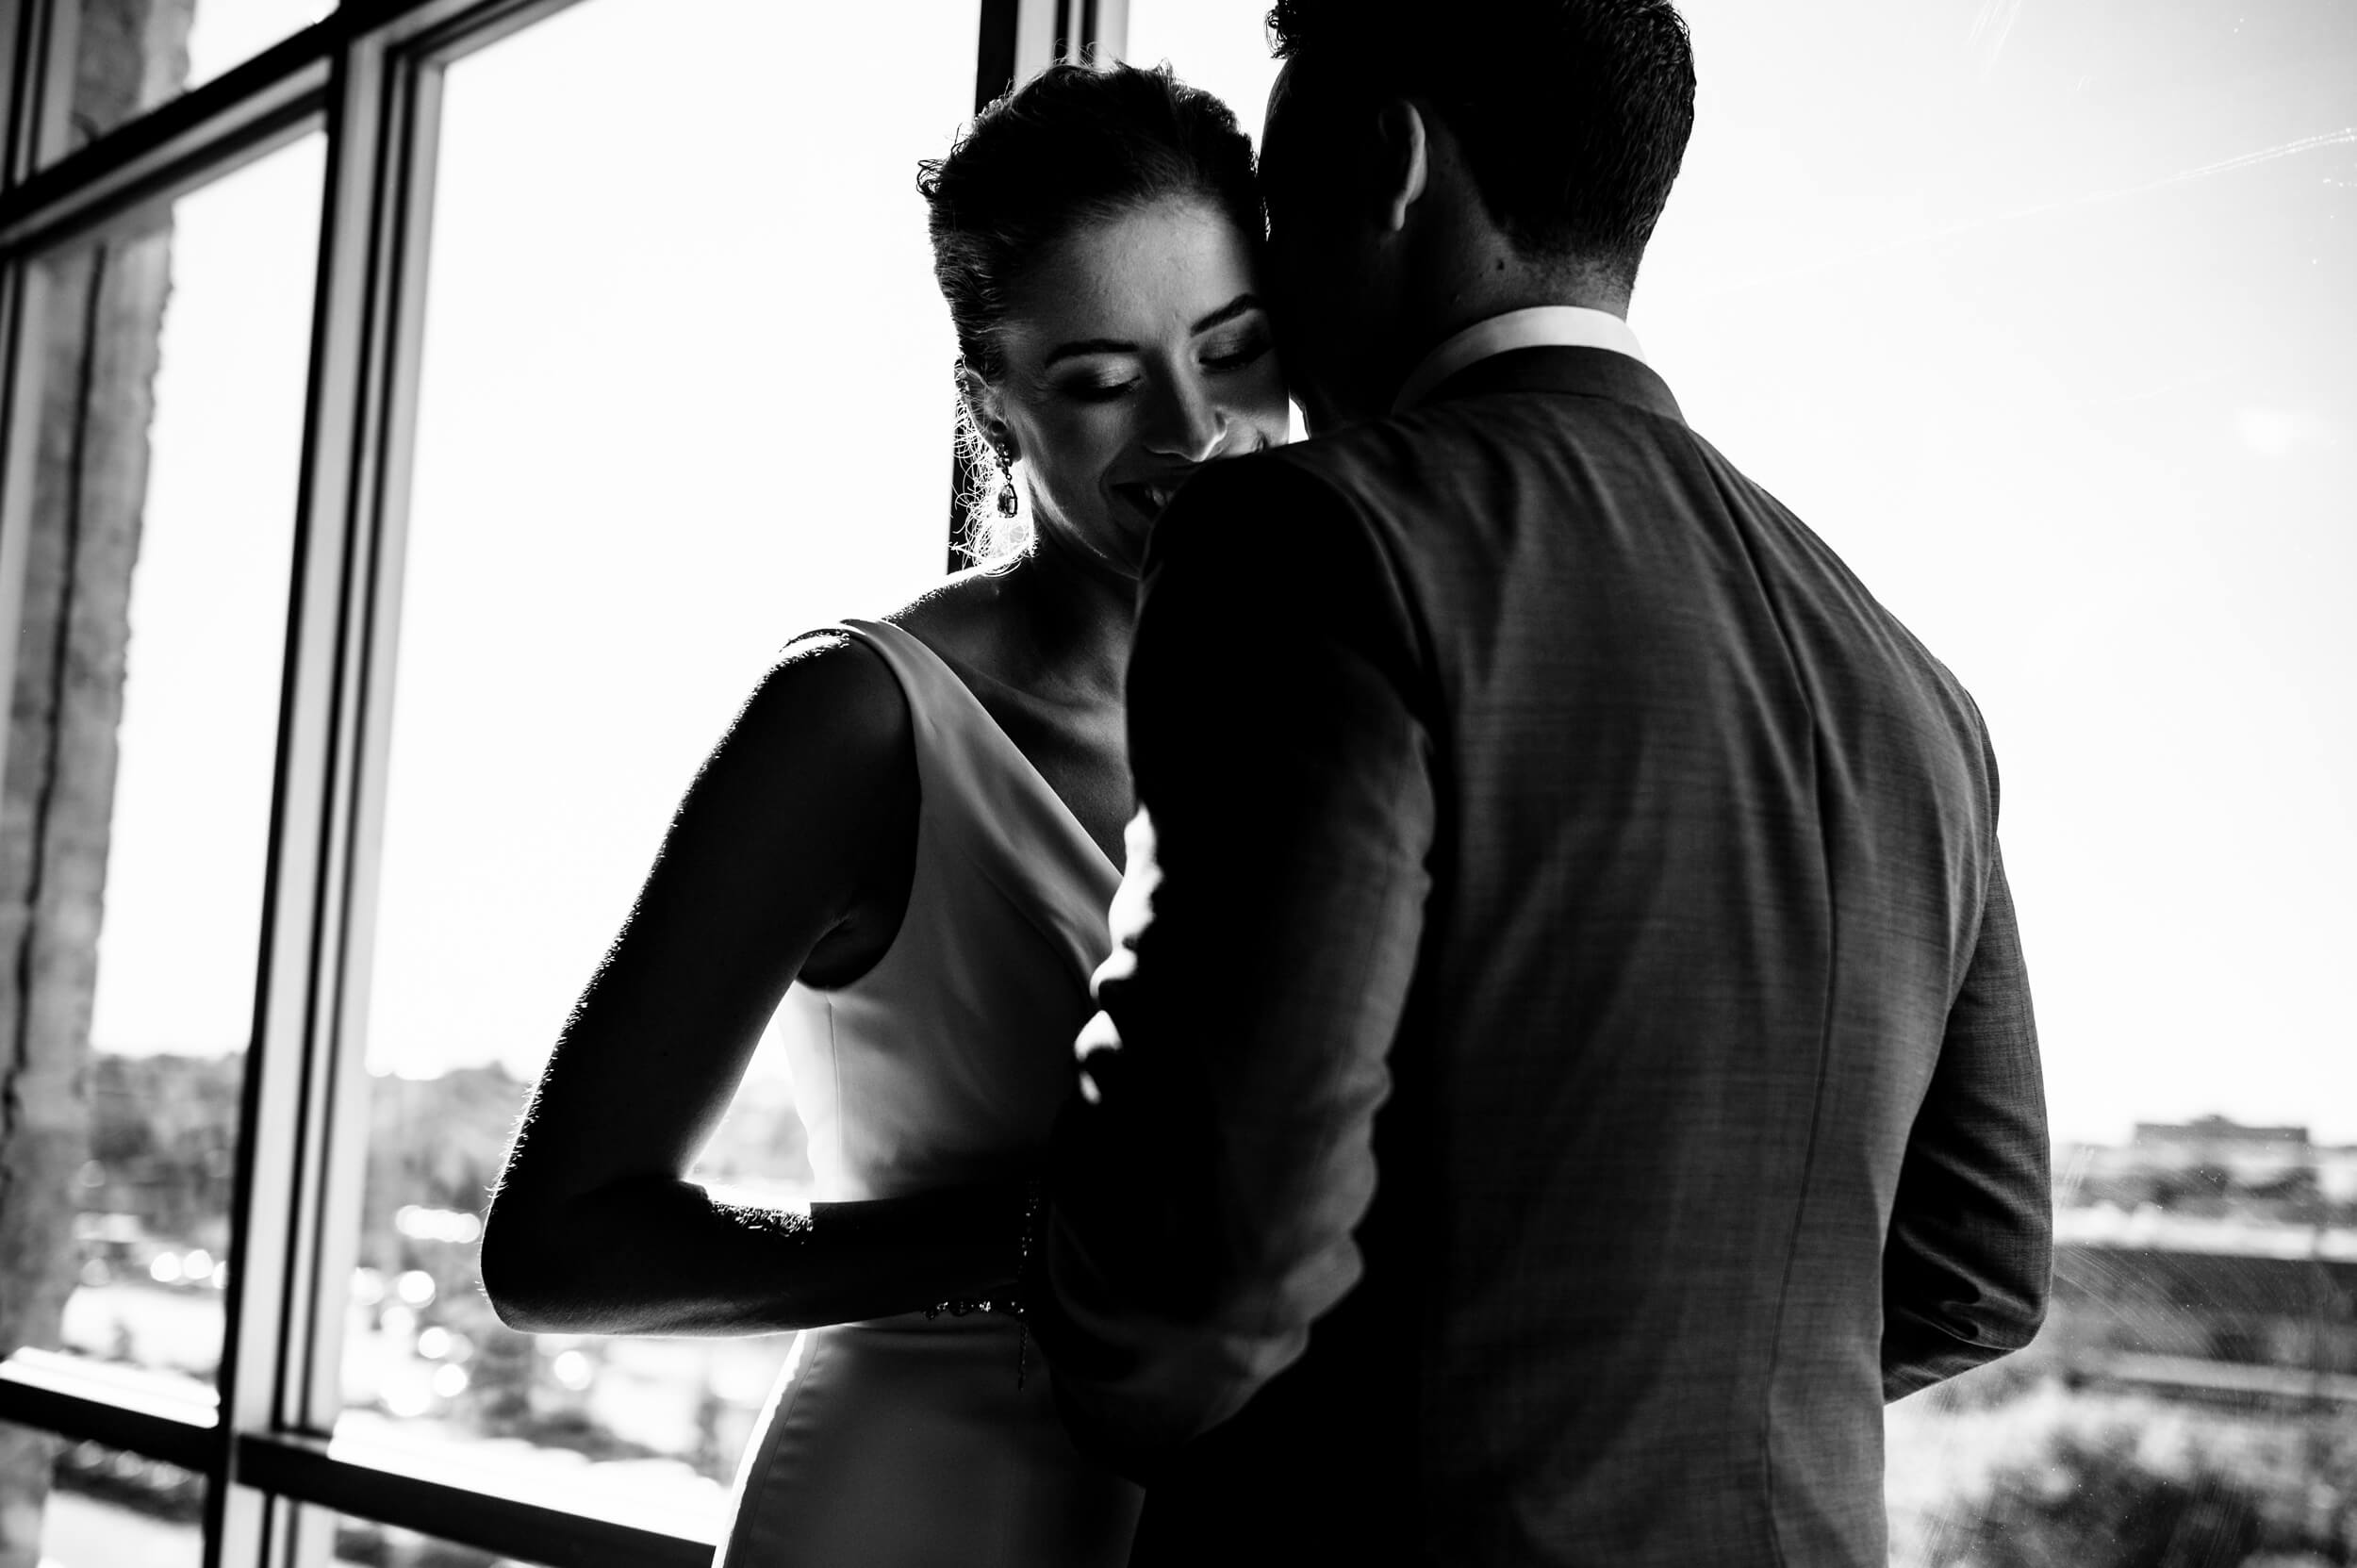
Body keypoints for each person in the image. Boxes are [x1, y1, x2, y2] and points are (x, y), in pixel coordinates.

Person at [1035, 2, 2054, 1563]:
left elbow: (1204, 1265)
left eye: (1278, 204)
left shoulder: (1310, 540)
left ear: (1387, 163)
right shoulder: (1910, 683)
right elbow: (1975, 1266)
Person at [476, 61, 1289, 1567]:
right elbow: (557, 1248)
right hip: (915, 1512)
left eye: (1233, 347)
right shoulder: (857, 717)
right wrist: (1057, 1244)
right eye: (1103, 383)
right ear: (996, 408)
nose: (1193, 428)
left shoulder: (1337, 713)